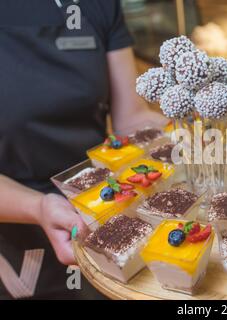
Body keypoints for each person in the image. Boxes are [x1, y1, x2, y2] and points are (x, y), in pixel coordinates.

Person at [0, 0, 166, 299]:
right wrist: (38, 207)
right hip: (17, 220)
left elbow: (131, 119)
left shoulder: (98, 5)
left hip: (102, 206)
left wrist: (190, 127)